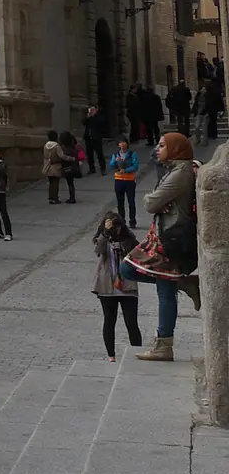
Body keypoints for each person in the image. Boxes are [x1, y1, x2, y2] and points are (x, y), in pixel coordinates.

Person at [123, 132, 200, 363]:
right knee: (130, 270)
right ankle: (184, 282)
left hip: (170, 239)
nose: (157, 148)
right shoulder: (175, 171)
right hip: (161, 237)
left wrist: (154, 199)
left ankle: (164, 345)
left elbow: (150, 203)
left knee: (161, 289)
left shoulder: (180, 173)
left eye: (162, 145)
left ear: (176, 149)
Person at [92, 212, 141, 360]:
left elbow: (137, 251)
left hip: (127, 286)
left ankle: (137, 353)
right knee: (109, 320)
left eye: (116, 226)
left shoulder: (128, 239)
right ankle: (111, 355)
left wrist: (124, 239)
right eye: (111, 226)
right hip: (107, 287)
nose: (115, 229)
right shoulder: (102, 239)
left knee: (131, 322)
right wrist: (106, 233)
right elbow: (98, 250)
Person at [109, 140, 139, 227]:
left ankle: (132, 220)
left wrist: (125, 170)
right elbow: (111, 166)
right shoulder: (115, 155)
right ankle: (122, 220)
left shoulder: (132, 154)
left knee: (131, 202)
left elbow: (135, 166)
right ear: (118, 144)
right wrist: (114, 161)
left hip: (129, 180)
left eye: (124, 142)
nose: (122, 144)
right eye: (120, 142)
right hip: (119, 180)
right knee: (120, 202)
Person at [42, 132, 67, 205]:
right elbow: (61, 156)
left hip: (48, 166)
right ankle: (55, 198)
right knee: (56, 183)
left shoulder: (45, 146)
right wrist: (70, 158)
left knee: (51, 182)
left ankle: (51, 197)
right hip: (56, 165)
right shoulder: (56, 146)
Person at [83, 106, 107, 176]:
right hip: (88, 138)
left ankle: (103, 169)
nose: (92, 111)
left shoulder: (99, 117)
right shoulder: (88, 117)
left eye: (93, 110)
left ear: (96, 110)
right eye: (91, 110)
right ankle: (92, 168)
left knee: (99, 154)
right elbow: (83, 122)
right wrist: (88, 117)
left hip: (96, 138)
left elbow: (101, 123)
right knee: (89, 155)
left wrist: (93, 117)